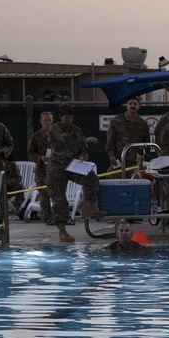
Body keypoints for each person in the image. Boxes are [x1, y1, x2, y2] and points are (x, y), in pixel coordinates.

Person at [48, 104, 106, 243]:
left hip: (73, 166)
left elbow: (83, 149)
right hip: (57, 168)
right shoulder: (55, 128)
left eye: (71, 117)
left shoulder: (77, 130)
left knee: (91, 178)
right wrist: (84, 139)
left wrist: (82, 157)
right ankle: (62, 231)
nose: (69, 120)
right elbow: (65, 139)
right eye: (67, 118)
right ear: (61, 117)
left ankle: (90, 206)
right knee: (59, 199)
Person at [27, 111, 56, 225]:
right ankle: (47, 216)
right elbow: (31, 152)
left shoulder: (56, 135)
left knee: (57, 193)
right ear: (41, 121)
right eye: (45, 120)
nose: (48, 123)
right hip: (42, 170)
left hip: (55, 168)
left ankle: (61, 216)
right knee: (44, 194)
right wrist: (40, 158)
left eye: (50, 120)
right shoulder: (36, 136)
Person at [106, 97, 149, 170]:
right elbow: (110, 139)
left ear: (139, 107)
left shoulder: (143, 124)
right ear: (126, 106)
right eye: (130, 104)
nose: (132, 106)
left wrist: (144, 157)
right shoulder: (116, 121)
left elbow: (146, 141)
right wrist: (111, 155)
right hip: (120, 158)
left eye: (135, 104)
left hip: (136, 160)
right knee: (116, 178)